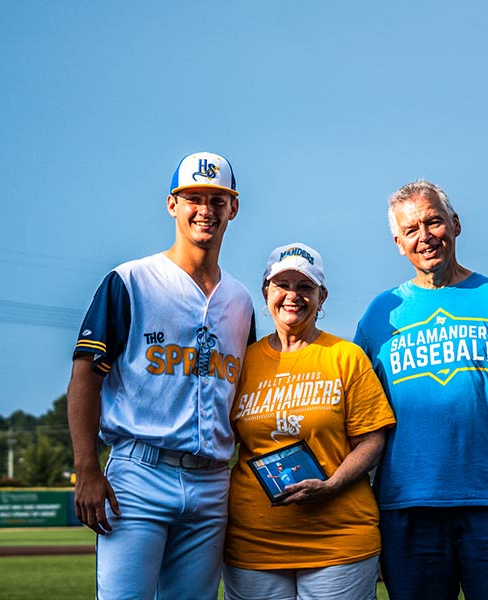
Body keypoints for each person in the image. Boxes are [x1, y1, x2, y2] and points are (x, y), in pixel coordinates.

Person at [354, 180, 488, 600]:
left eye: (433, 222)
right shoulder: (379, 314)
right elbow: (361, 422)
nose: (425, 237)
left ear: (454, 224)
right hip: (409, 511)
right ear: (398, 243)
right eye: (411, 230)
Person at [67, 152, 255, 599]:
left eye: (217, 199)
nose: (204, 210)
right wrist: (86, 468)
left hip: (212, 481)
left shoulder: (242, 300)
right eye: (193, 198)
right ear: (172, 204)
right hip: (138, 472)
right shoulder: (130, 280)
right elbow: (84, 376)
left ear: (233, 207)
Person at [223, 243, 396, 600]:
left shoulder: (346, 357)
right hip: (254, 541)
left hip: (338, 539)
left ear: (322, 296)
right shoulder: (241, 361)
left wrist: (332, 484)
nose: (292, 295)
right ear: (266, 292)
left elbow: (372, 439)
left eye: (305, 286)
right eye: (282, 284)